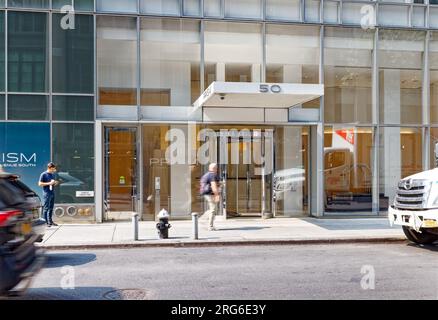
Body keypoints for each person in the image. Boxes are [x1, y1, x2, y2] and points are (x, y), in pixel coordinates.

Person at [200, 163, 221, 231]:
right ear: (215, 169)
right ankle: (210, 226)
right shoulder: (212, 175)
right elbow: (213, 186)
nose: (217, 169)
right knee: (213, 209)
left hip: (206, 194)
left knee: (212, 208)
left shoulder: (206, 175)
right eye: (216, 168)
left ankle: (203, 220)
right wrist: (217, 195)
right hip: (210, 194)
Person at [38, 162, 59, 227]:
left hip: (52, 192)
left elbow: (53, 183)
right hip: (46, 193)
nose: (53, 170)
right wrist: (49, 183)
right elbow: (39, 184)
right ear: (49, 168)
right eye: (52, 169)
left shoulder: (52, 175)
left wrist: (55, 183)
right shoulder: (43, 174)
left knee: (51, 208)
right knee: (46, 208)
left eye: (54, 169)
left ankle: (50, 221)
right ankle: (45, 222)